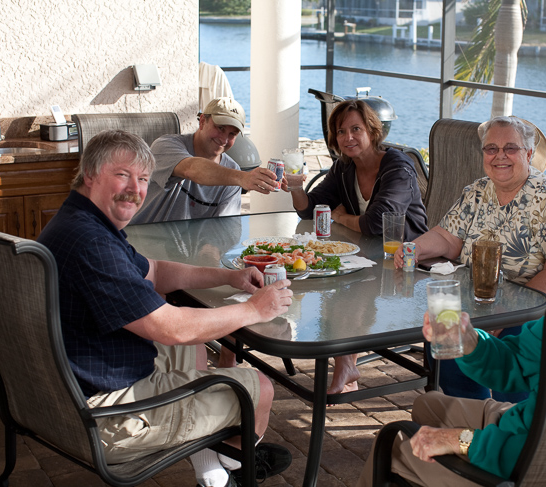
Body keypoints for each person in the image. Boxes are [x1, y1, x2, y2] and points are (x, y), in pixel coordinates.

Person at [38, 130, 293, 487]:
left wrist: (229, 277)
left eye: (142, 178)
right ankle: (229, 466)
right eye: (122, 174)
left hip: (82, 378)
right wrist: (255, 310)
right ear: (91, 174)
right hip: (107, 417)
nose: (135, 189)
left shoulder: (80, 221)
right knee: (259, 389)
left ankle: (213, 465)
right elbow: (169, 327)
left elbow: (155, 271)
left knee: (192, 348)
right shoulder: (93, 244)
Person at [357, 207, 546, 487]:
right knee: (428, 404)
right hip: (528, 425)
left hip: (531, 467)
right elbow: (515, 361)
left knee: (392, 444)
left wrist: (457, 440)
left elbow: (528, 450)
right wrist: (470, 340)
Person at [395, 115, 546, 402]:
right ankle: (471, 415)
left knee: (489, 346)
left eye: (511, 148)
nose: (499, 156)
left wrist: (509, 311)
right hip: (479, 301)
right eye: (491, 149)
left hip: (534, 309)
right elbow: (448, 238)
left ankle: (509, 422)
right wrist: (415, 248)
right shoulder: (478, 191)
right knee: (444, 337)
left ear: (529, 154)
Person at [284, 99, 428, 394]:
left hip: (407, 261)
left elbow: (377, 222)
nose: (347, 137)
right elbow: (309, 209)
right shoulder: (343, 167)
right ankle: (346, 363)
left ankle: (346, 363)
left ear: (373, 132)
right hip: (368, 257)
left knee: (340, 288)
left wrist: (341, 217)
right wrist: (297, 187)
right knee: (328, 279)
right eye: (340, 131)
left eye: (355, 129)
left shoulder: (399, 167)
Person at [131, 97, 278, 224]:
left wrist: (213, 248)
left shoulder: (233, 172)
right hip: (139, 244)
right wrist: (242, 177)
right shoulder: (165, 145)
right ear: (202, 121)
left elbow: (225, 228)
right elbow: (191, 169)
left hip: (185, 253)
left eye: (232, 134)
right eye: (220, 128)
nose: (224, 139)